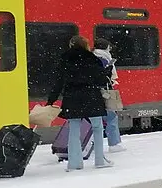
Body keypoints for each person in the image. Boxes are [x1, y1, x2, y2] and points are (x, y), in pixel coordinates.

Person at [45, 35, 112, 171]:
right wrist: (108, 73)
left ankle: (74, 163)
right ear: (85, 45)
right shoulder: (92, 59)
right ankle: (99, 160)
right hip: (91, 97)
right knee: (97, 128)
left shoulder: (65, 59)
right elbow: (101, 80)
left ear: (71, 45)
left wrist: (51, 100)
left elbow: (58, 82)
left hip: (72, 97)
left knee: (74, 131)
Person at [92, 38, 124, 151]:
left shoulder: (90, 56)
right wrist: (110, 68)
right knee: (111, 117)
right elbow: (106, 76)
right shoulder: (105, 58)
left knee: (93, 119)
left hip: (92, 92)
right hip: (104, 92)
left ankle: (90, 144)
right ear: (106, 47)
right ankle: (114, 144)